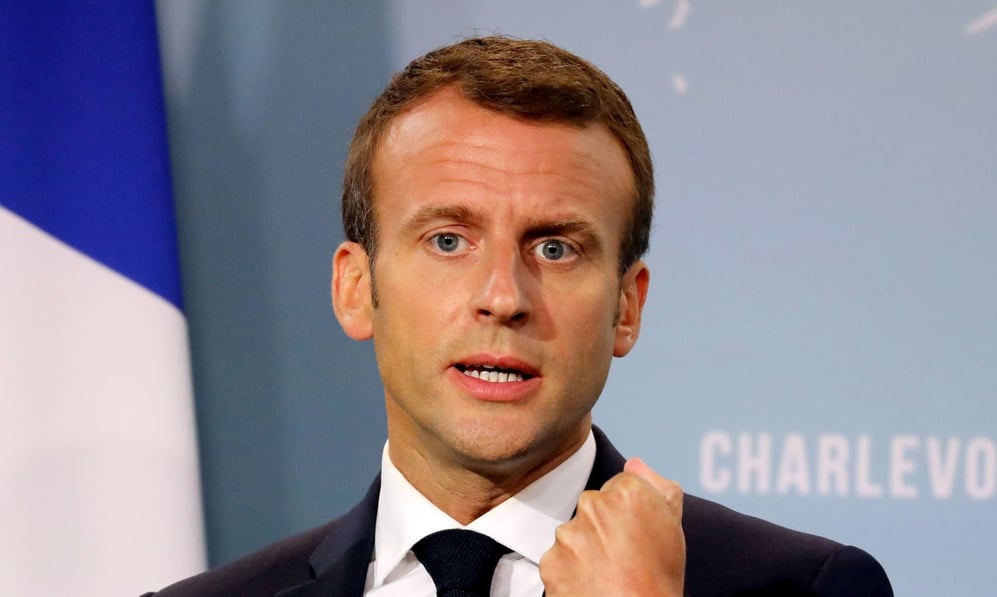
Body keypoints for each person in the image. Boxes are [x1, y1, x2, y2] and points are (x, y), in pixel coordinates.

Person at [146, 36, 893, 596]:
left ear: (627, 307)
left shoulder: (806, 588)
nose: (503, 295)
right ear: (355, 286)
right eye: (448, 240)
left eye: (557, 248)